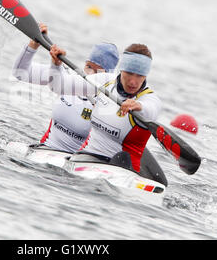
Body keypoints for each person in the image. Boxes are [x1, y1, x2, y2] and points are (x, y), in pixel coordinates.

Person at [48, 43, 167, 186]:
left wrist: (138, 106)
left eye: (140, 76)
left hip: (123, 171)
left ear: (146, 76)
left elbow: (151, 109)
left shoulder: (149, 99)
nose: (133, 81)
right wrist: (56, 64)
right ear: (121, 69)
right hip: (84, 159)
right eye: (129, 73)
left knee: (122, 158)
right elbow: (58, 86)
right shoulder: (104, 82)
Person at [12, 23, 119, 153]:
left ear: (107, 77)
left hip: (73, 163)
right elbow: (20, 72)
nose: (91, 75)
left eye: (99, 72)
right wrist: (34, 44)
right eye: (89, 67)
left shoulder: (109, 104)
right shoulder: (67, 77)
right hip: (44, 150)